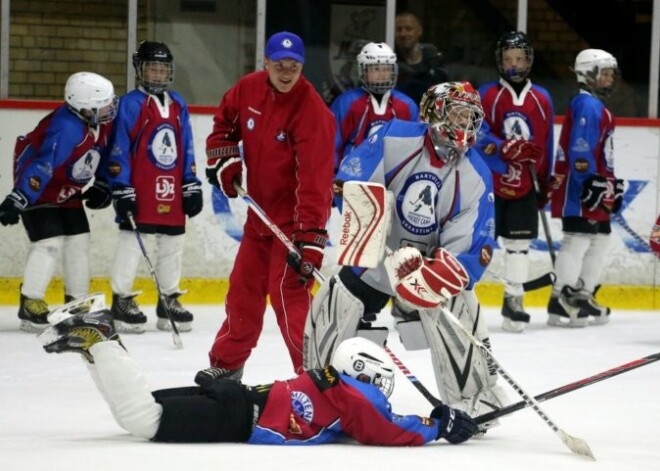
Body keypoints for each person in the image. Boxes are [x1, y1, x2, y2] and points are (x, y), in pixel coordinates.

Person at [303, 81, 508, 431]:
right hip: (375, 255)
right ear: (433, 111)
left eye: (470, 117)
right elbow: (353, 189)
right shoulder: (392, 136)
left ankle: (474, 401)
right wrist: (380, 242)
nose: (464, 123)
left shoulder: (477, 175)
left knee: (458, 305)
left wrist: (429, 276)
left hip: (422, 269)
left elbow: (469, 249)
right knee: (336, 299)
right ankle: (317, 390)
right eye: (456, 113)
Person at [38, 297, 477, 446]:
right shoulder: (354, 397)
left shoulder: (331, 386)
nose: (382, 387)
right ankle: (103, 338)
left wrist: (440, 421)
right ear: (362, 372)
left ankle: (91, 346)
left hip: (236, 398)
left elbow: (359, 426)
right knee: (142, 421)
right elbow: (387, 429)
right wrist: (439, 424)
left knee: (142, 410)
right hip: (235, 416)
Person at [199, 31, 335, 381]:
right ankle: (227, 365)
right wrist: (226, 159)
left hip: (292, 223)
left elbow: (315, 182)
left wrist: (310, 237)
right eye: (279, 65)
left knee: (289, 293)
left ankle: (312, 371)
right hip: (259, 218)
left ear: (302, 66)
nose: (286, 72)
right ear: (266, 63)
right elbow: (223, 127)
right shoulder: (248, 88)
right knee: (243, 290)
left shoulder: (312, 111)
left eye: (294, 66)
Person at [0, 72, 117, 332]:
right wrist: (19, 197)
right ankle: (30, 302)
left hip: (67, 188)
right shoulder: (66, 128)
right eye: (105, 104)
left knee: (79, 241)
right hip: (39, 188)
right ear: (85, 106)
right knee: (48, 243)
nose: (111, 108)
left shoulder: (100, 122)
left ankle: (77, 302)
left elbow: (105, 154)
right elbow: (43, 165)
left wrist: (103, 183)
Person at [101, 41, 203, 334]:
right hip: (141, 186)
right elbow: (119, 147)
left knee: (173, 241)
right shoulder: (130, 104)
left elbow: (187, 145)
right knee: (134, 241)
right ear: (140, 69)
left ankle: (168, 299)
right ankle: (121, 300)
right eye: (152, 69)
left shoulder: (178, 103)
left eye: (162, 69)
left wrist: (190, 183)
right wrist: (121, 186)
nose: (158, 75)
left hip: (170, 186)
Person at [474, 31, 555, 333]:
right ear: (499, 61)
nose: (514, 65)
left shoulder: (541, 97)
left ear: (529, 61)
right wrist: (502, 146)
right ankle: (464, 299)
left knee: (519, 244)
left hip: (525, 182)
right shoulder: (487, 94)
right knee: (479, 243)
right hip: (490, 183)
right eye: (508, 59)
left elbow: (546, 143)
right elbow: (476, 132)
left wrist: (544, 182)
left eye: (519, 59)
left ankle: (514, 300)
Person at [548, 49, 622, 327]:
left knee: (600, 239)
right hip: (581, 187)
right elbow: (581, 150)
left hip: (597, 185)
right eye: (605, 73)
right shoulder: (587, 106)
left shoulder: (594, 105)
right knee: (577, 239)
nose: (610, 79)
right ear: (588, 74)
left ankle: (581, 293)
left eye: (610, 73)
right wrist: (591, 182)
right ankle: (559, 298)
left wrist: (609, 185)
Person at [330, 41, 419, 173]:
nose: (382, 74)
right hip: (353, 174)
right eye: (376, 68)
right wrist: (333, 174)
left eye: (386, 69)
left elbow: (415, 146)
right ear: (363, 70)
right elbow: (332, 144)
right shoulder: (347, 102)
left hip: (393, 174)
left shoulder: (406, 105)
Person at [394, 11, 449, 104]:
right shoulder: (391, 60)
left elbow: (445, 90)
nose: (403, 34)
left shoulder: (433, 58)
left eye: (408, 29)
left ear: (419, 31)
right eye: (399, 29)